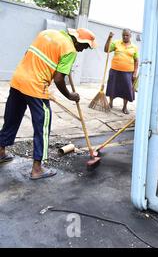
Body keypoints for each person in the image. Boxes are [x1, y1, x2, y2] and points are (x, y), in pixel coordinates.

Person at [0, 28, 97, 180]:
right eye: (84, 47)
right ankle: (37, 169)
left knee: (11, 118)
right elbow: (59, 79)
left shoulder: (47, 33)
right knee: (42, 127)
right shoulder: (70, 50)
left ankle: (1, 152)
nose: (83, 50)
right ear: (78, 41)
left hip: (18, 79)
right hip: (36, 87)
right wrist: (70, 95)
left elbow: (28, 54)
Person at [104, 29, 139, 114]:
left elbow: (136, 60)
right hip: (115, 70)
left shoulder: (134, 47)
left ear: (130, 36)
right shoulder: (116, 43)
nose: (125, 37)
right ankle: (110, 103)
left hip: (128, 72)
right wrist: (109, 38)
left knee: (127, 90)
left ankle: (124, 107)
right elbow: (106, 50)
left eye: (127, 35)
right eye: (123, 35)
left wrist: (135, 72)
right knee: (112, 88)